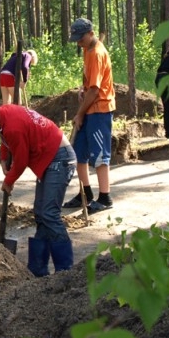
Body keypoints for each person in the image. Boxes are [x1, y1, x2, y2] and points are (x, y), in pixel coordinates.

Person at [0, 98, 76, 276]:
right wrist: (3, 158)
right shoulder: (4, 116)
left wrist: (8, 181)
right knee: (41, 213)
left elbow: (21, 159)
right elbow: (6, 140)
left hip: (60, 159)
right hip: (50, 159)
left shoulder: (13, 126)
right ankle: (37, 268)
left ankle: (66, 271)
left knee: (49, 213)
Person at [63, 18, 116, 212]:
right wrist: (81, 89)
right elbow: (88, 83)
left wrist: (79, 114)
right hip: (89, 108)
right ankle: (85, 193)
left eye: (80, 38)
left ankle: (105, 197)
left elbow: (95, 91)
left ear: (90, 33)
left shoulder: (97, 54)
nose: (78, 42)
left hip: (100, 110)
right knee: (78, 152)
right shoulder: (88, 49)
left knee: (100, 155)